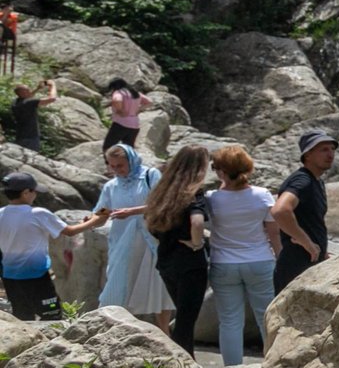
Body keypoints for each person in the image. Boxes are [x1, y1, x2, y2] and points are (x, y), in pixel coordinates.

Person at [205, 145, 280, 365]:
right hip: (260, 260)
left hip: (223, 263)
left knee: (229, 321)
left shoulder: (211, 198)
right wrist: (280, 257)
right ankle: (273, 366)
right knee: (267, 317)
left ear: (221, 171)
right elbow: (274, 233)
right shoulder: (262, 195)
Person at [0, 172, 106, 320]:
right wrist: (95, 220)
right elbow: (70, 231)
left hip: (10, 277)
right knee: (52, 314)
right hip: (36, 276)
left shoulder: (1, 213)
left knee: (22, 316)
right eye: (34, 191)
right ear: (26, 193)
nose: (36, 194)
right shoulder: (38, 213)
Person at [96, 143, 172, 330]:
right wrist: (88, 221)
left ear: (131, 161)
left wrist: (131, 212)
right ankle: (118, 329)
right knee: (119, 285)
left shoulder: (150, 176)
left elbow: (162, 203)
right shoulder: (111, 186)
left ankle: (165, 332)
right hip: (123, 242)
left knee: (158, 288)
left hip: (151, 240)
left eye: (120, 165)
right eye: (112, 166)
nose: (117, 170)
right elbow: (102, 212)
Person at [146, 146, 212, 354]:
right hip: (190, 264)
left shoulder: (161, 193)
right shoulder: (194, 193)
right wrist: (197, 243)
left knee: (182, 317)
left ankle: (183, 360)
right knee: (186, 320)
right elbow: (197, 222)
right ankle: (183, 362)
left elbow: (150, 224)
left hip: (166, 261)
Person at [271, 130, 334, 294]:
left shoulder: (316, 181)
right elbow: (280, 210)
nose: (330, 154)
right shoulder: (302, 180)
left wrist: (321, 251)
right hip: (296, 266)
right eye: (324, 150)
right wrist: (307, 243)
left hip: (309, 264)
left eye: (332, 149)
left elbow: (310, 221)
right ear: (307, 155)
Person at [102, 78, 152, 153]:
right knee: (128, 150)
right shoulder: (135, 93)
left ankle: (109, 160)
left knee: (108, 147)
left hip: (120, 124)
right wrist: (139, 109)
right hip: (134, 125)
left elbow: (117, 100)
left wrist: (120, 110)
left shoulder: (119, 92)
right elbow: (150, 102)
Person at [11, 80, 54, 155]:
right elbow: (52, 99)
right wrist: (53, 86)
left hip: (20, 136)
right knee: (32, 157)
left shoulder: (16, 102)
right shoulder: (29, 102)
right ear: (23, 93)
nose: (30, 91)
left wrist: (38, 88)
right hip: (30, 137)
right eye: (28, 90)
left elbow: (28, 96)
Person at [1, 4, 18, 75]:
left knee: (0, 25)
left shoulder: (13, 16)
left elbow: (4, 23)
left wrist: (6, 14)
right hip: (2, 33)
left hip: (10, 33)